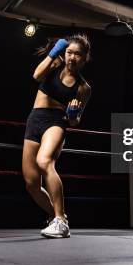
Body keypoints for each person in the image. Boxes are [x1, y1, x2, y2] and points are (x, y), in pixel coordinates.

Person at [22, 34, 91, 238]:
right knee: (31, 184)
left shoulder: (83, 88)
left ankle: (60, 220)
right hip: (35, 119)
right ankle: (58, 218)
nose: (72, 58)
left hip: (56, 122)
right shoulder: (55, 63)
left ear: (84, 58)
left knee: (44, 162)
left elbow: (75, 121)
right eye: (69, 52)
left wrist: (71, 115)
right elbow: (36, 75)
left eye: (77, 54)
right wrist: (53, 54)